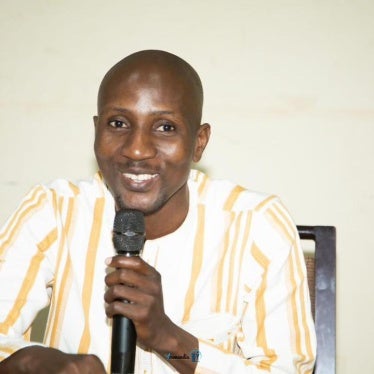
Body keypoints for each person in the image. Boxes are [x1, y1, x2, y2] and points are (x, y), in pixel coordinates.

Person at [0, 50, 316, 373]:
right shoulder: (54, 211)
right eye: (118, 123)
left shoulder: (257, 226)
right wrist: (31, 363)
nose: (137, 149)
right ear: (96, 131)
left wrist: (170, 340)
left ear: (199, 142)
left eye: (165, 127)